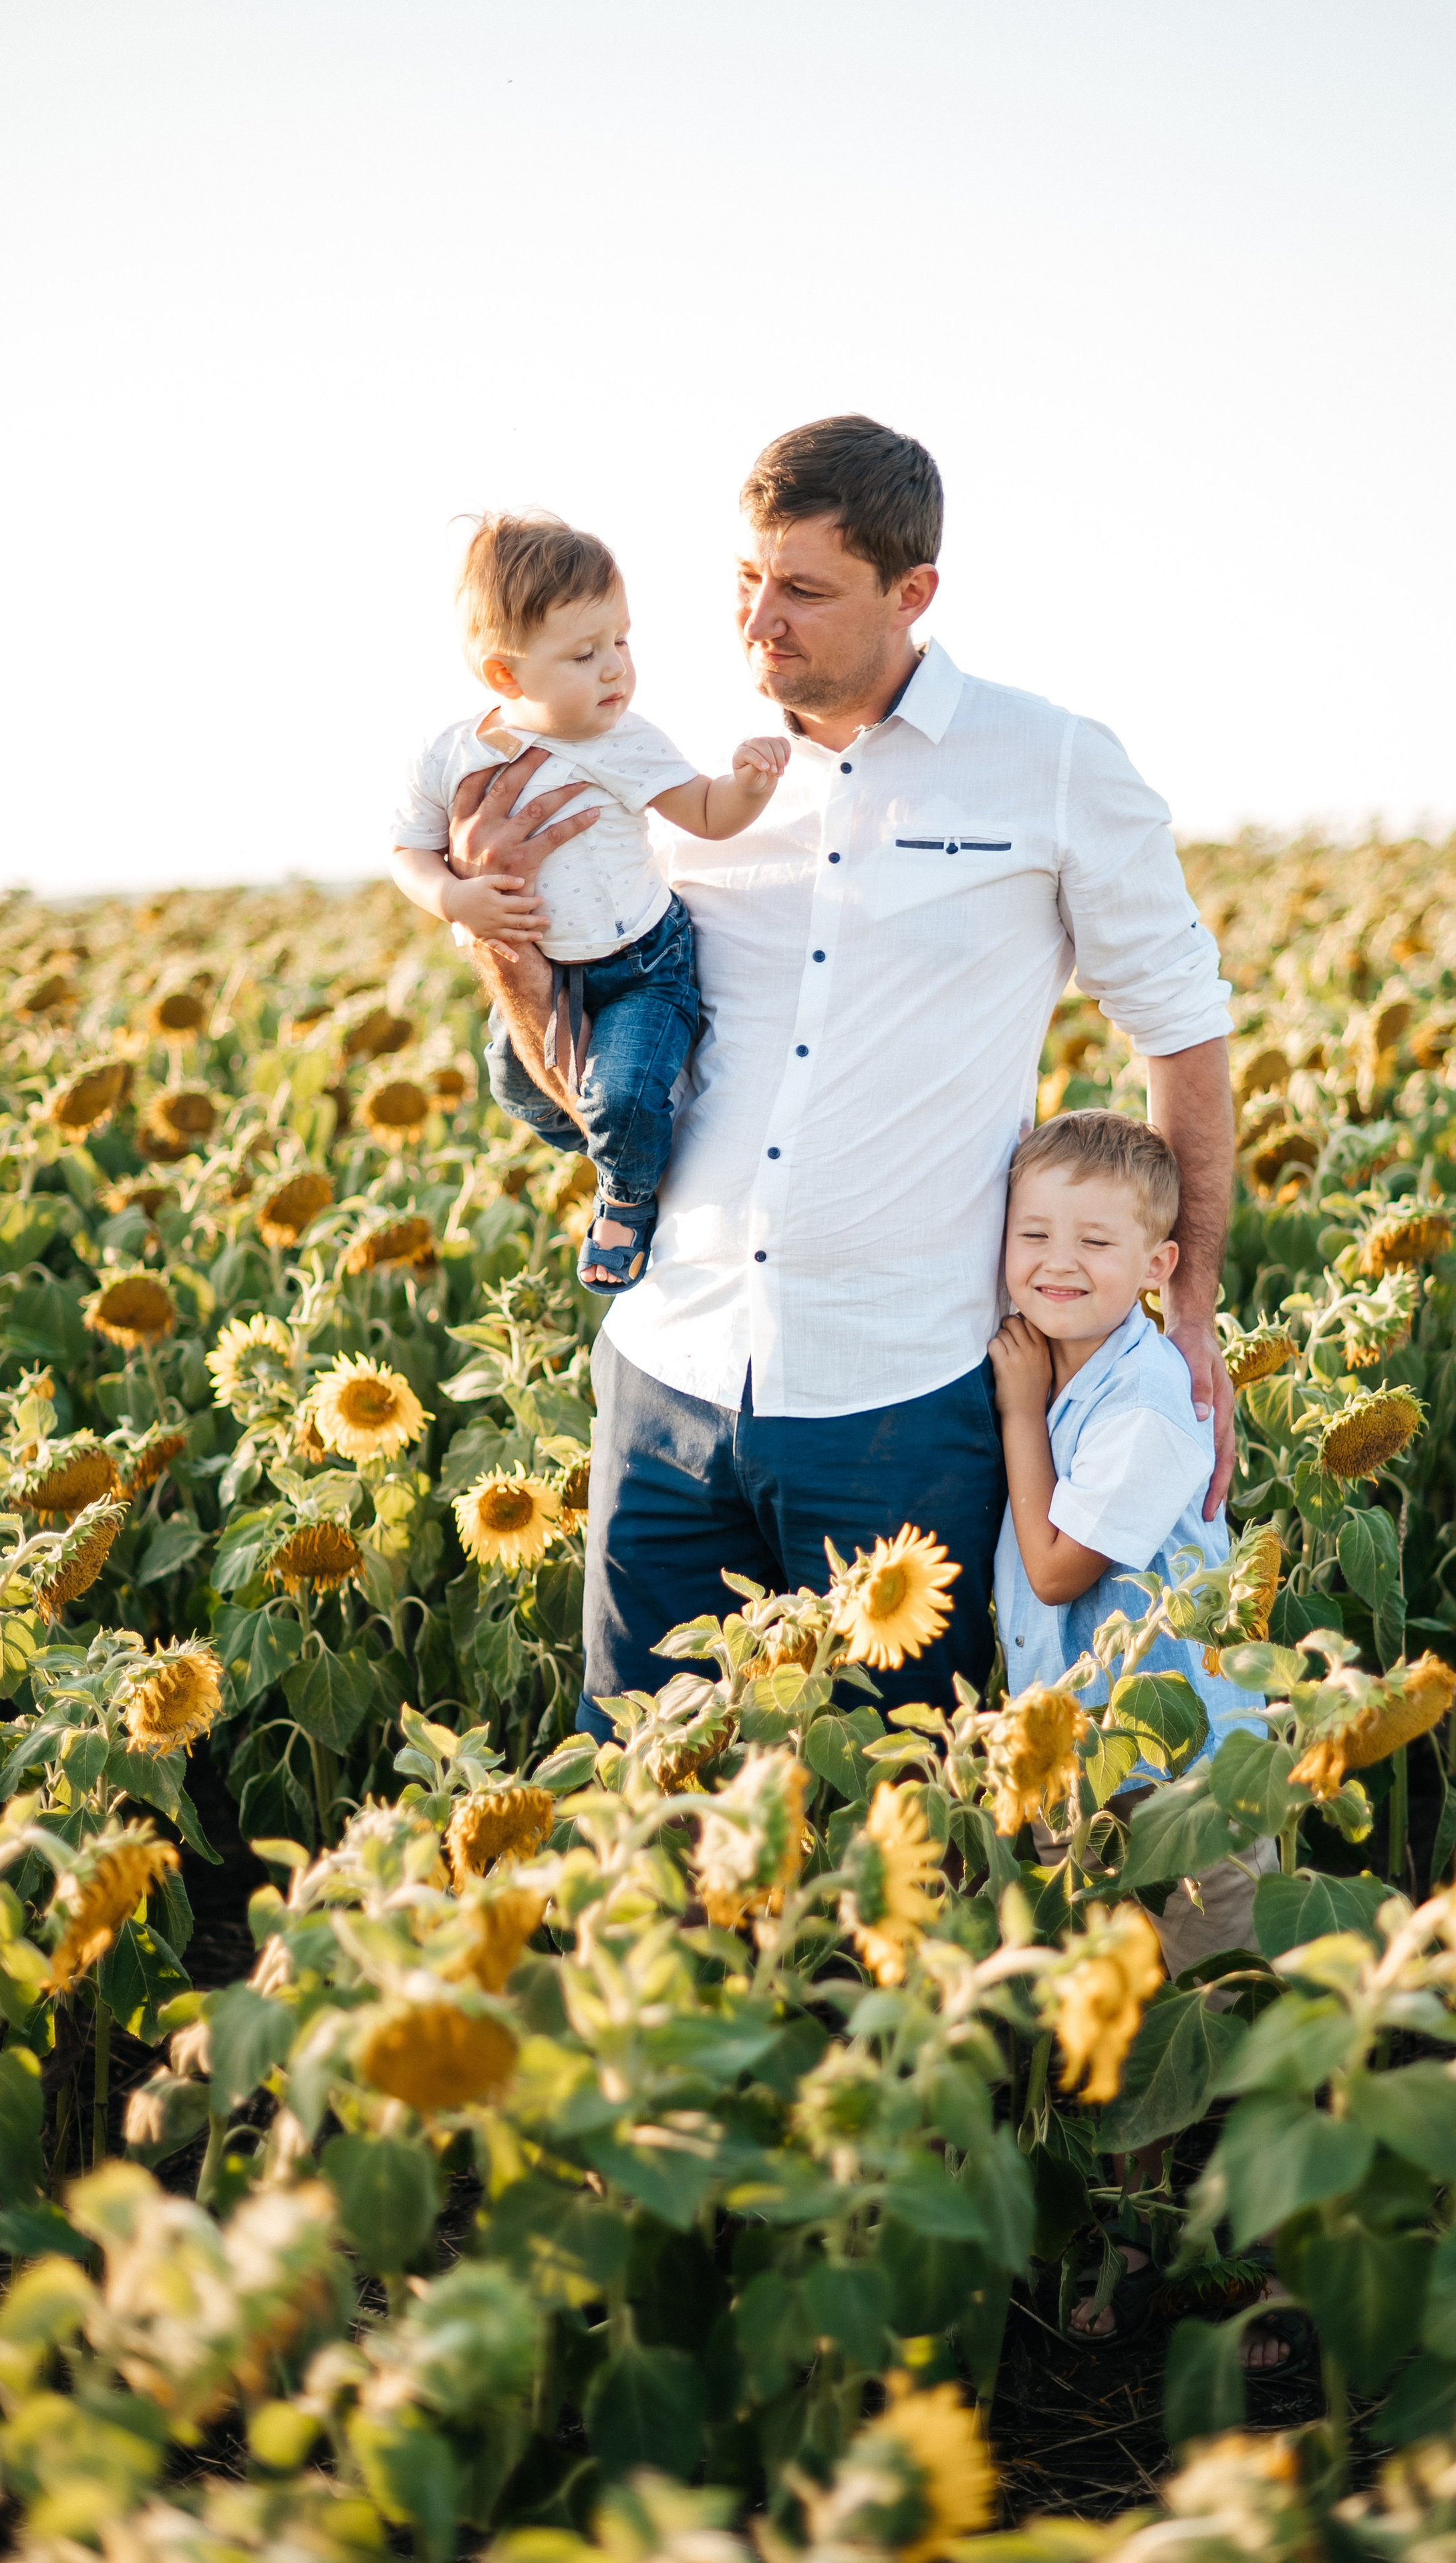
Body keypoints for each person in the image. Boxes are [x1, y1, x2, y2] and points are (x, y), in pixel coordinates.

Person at [444, 416, 1238, 1735]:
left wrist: (1191, 1307)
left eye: (804, 590)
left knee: (889, 1812)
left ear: (911, 593)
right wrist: (512, 973)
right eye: (744, 584)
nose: (760, 622)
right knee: (649, 1800)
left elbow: (1182, 1033)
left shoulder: (1048, 765)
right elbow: (589, 1095)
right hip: (667, 1372)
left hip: (901, 1395)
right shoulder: (680, 795)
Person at [989, 1113, 1294, 2367]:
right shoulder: (1066, 1355)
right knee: (1118, 2027)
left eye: (1096, 1242)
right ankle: (1124, 2238)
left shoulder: (1149, 1404)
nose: (1057, 1262)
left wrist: (1015, 1411)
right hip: (1091, 1765)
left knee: (1223, 2023)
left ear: (1160, 1267)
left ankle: (1243, 2264)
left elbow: (1060, 1569)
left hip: (1192, 1781)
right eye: (1034, 1234)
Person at [389, 511, 790, 1291]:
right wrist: (454, 899)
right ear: (507, 677)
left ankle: (629, 1196)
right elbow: (409, 851)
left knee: (625, 1093)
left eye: (622, 642)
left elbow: (705, 814)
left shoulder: (625, 740)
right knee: (514, 1084)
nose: (616, 669)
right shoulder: (448, 753)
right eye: (584, 653)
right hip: (557, 977)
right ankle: (627, 1147)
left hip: (644, 963)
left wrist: (746, 784)